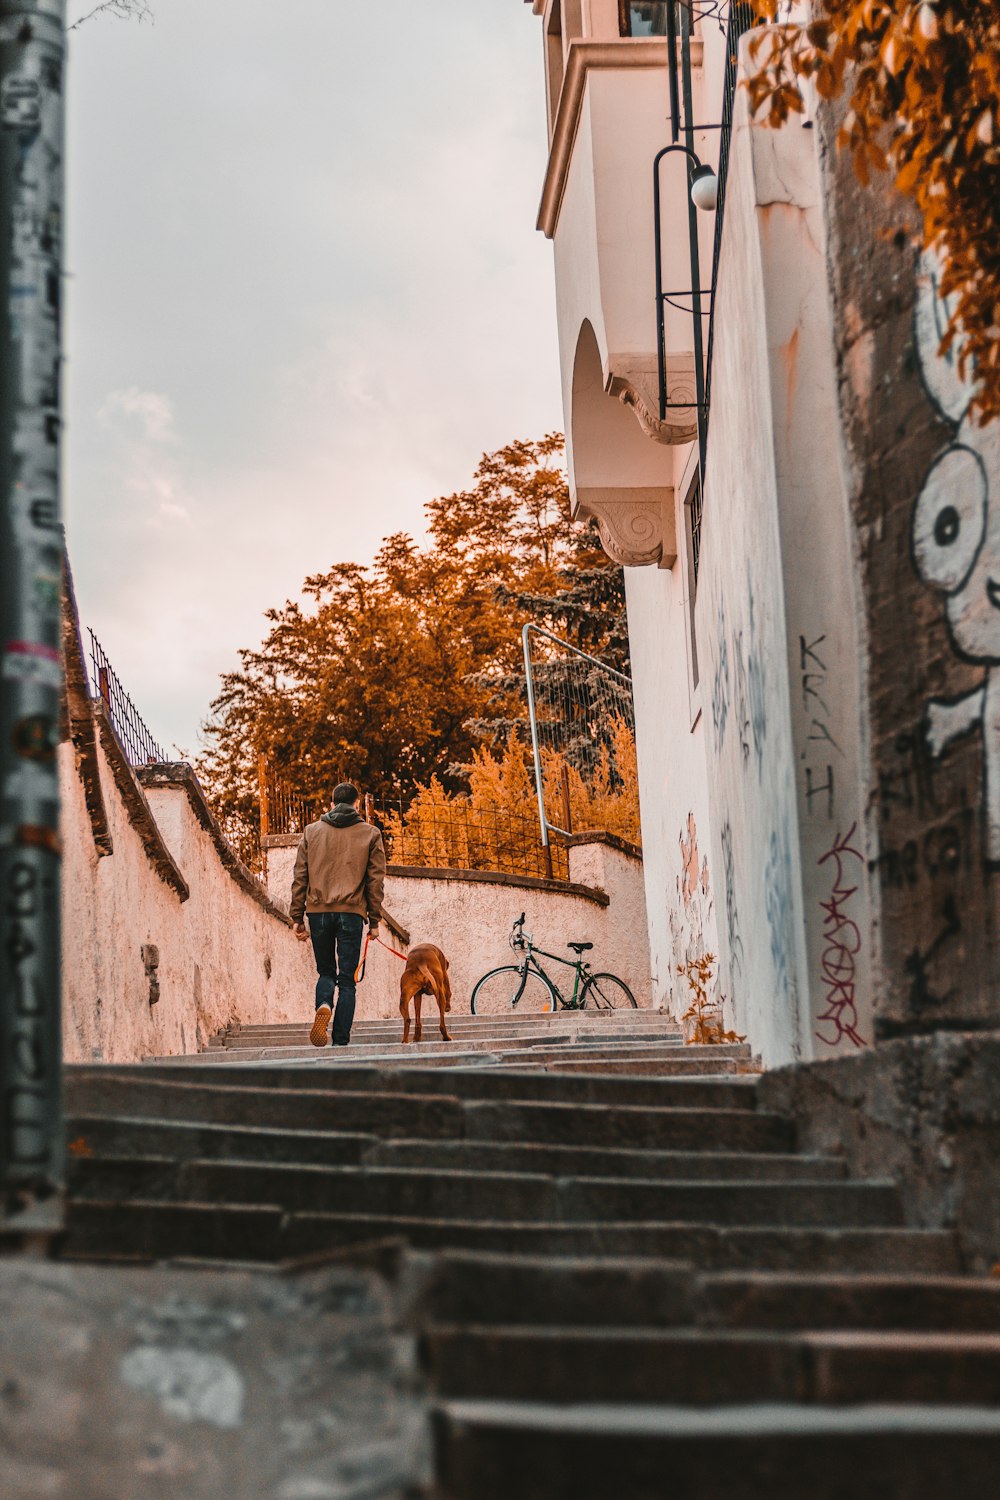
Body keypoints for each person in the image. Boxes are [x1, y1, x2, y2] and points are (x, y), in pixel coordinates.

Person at [290, 782, 386, 1047]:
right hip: (351, 914)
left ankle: (323, 1004)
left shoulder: (311, 832)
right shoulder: (371, 833)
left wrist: (297, 917)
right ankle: (340, 1041)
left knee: (325, 971)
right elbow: (375, 881)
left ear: (331, 804)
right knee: (347, 981)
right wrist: (375, 921)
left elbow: (300, 876)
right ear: (356, 805)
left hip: (318, 913)